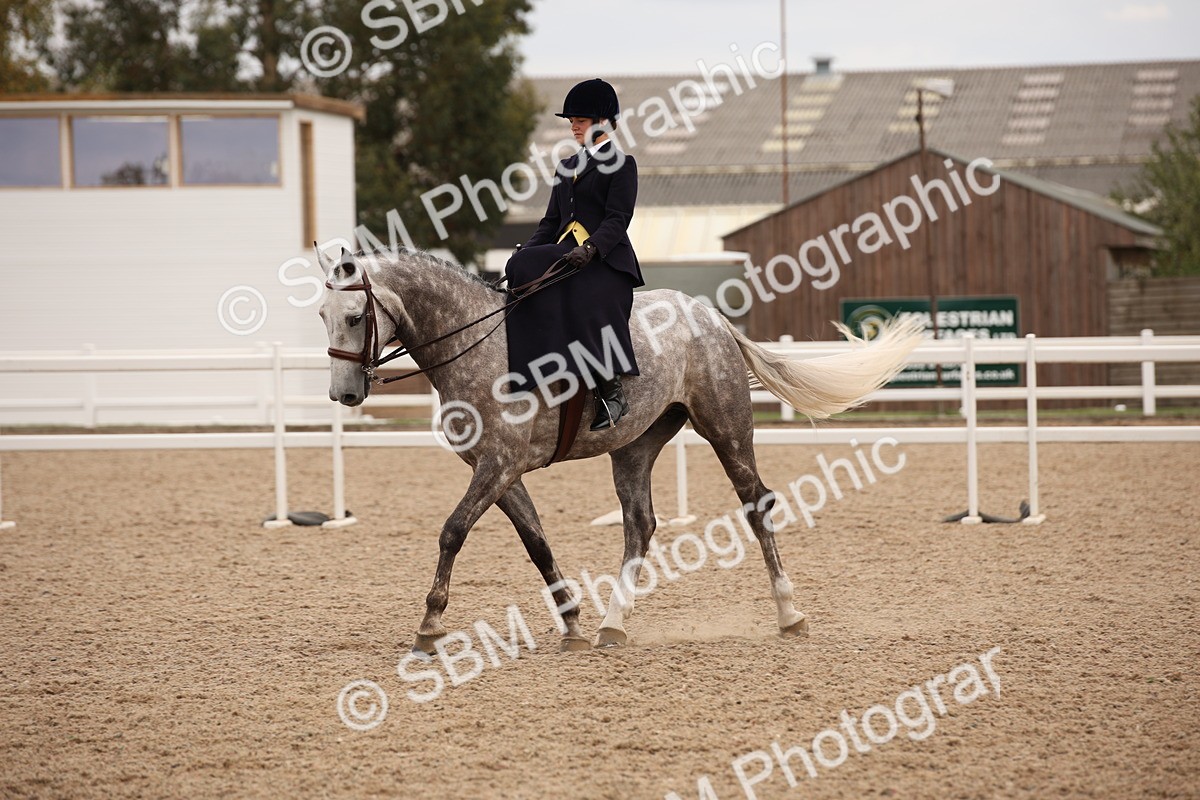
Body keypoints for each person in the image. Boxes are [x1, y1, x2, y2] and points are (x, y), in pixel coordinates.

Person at [504, 78, 644, 431]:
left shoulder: (622, 164)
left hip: (605, 259)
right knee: (522, 267)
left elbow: (618, 219)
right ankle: (531, 372)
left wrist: (591, 248)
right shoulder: (566, 167)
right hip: (566, 253)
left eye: (580, 119)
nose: (574, 126)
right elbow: (550, 222)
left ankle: (612, 393)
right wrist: (524, 255)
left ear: (602, 121)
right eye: (572, 121)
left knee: (585, 296)